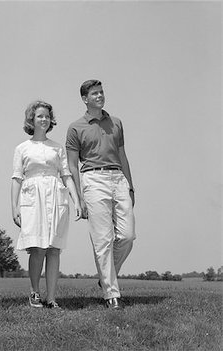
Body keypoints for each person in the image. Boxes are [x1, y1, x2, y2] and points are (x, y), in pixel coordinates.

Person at [66, 80, 136, 309]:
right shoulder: (76, 128)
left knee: (127, 235)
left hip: (118, 178)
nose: (100, 96)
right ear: (85, 99)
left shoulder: (116, 123)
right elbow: (72, 166)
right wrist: (79, 196)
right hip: (93, 180)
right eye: (95, 93)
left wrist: (130, 186)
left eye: (101, 92)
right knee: (103, 239)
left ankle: (106, 276)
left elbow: (123, 156)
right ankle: (111, 293)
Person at [11, 100, 82, 309]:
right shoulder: (22, 148)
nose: (44, 119)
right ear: (31, 119)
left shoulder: (57, 147)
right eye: (40, 116)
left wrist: (76, 200)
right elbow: (16, 178)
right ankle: (34, 292)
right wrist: (14, 207)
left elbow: (67, 175)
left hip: (55, 195)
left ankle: (51, 298)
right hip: (32, 197)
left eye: (47, 116)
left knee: (53, 248)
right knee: (37, 248)